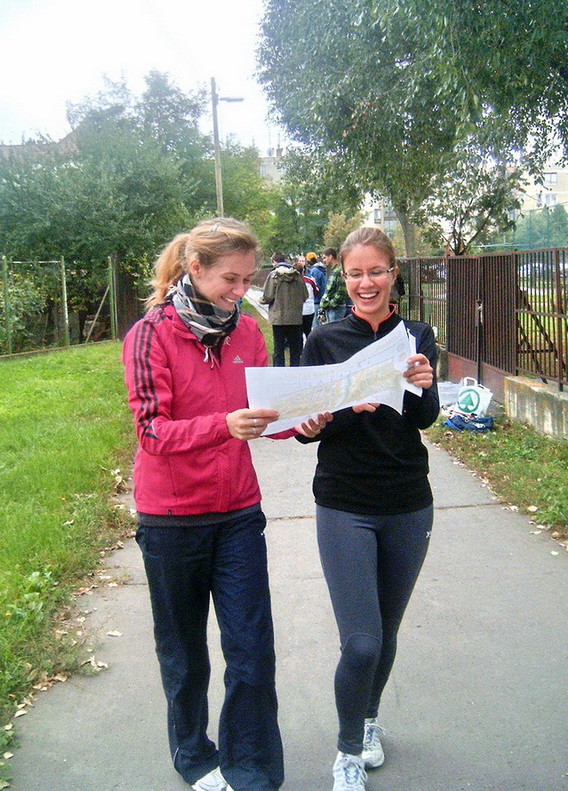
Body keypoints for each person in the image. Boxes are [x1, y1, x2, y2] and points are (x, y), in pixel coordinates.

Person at [122, 218, 326, 791]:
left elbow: (263, 413)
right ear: (195, 269)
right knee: (184, 653)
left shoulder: (248, 333)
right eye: (230, 280)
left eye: (247, 279)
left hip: (238, 513)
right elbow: (151, 432)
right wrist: (222, 426)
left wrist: (301, 424)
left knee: (252, 649)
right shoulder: (150, 334)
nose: (241, 291)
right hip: (170, 520)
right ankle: (193, 754)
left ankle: (252, 770)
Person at [296, 227, 440, 791]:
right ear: (343, 276)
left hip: (408, 501)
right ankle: (347, 751)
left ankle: (369, 719)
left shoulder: (417, 334)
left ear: (393, 273)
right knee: (361, 641)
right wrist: (328, 415)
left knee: (386, 630)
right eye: (355, 273)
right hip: (344, 501)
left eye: (376, 271)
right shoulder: (324, 339)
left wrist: (424, 384)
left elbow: (424, 419)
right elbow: (305, 429)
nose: (365, 282)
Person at [261, 252, 307, 366]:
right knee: (295, 349)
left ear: (274, 262)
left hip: (279, 318)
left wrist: (262, 300)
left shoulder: (274, 275)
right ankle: (295, 371)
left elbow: (268, 296)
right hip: (295, 318)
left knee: (279, 348)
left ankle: (279, 371)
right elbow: (305, 295)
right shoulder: (297, 275)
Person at [318, 247, 350, 323]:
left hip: (336, 309)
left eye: (325, 258)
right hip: (332, 309)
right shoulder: (333, 271)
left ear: (330, 257)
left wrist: (331, 304)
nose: (324, 260)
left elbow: (341, 291)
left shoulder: (338, 271)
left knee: (335, 329)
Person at [293, 257, 319, 340]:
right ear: (303, 271)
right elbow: (316, 292)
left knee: (298, 333)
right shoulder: (310, 281)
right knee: (308, 330)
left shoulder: (291, 282)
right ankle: (310, 345)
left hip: (297, 310)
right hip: (309, 309)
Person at [306, 252, 327, 325]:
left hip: (317, 300)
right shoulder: (322, 269)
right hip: (322, 299)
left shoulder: (314, 271)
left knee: (316, 324)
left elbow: (315, 286)